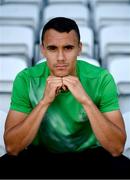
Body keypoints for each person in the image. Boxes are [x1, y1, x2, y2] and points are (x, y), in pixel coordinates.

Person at [0, 17, 130, 178]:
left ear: (79, 48)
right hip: (40, 155)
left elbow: (117, 148)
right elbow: (12, 147)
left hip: (91, 156)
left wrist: (85, 100)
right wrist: (44, 102)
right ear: (43, 50)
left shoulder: (101, 79)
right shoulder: (26, 79)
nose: (60, 57)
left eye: (68, 48)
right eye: (53, 48)